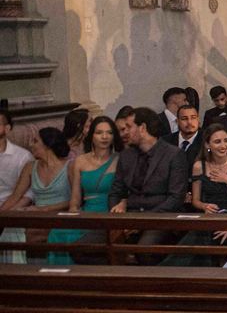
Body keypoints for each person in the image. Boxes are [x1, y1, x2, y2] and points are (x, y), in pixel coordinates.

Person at [108, 107, 190, 259]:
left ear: (143, 128)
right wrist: (117, 217)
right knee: (88, 246)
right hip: (129, 216)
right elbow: (115, 192)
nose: (126, 132)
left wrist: (142, 221)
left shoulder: (173, 154)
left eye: (129, 127)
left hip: (160, 218)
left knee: (145, 252)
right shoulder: (127, 155)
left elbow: (175, 198)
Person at [47, 116, 121, 264]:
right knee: (58, 233)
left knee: (79, 241)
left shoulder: (120, 159)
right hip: (86, 212)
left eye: (109, 133)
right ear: (91, 135)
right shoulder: (80, 161)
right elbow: (75, 200)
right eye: (99, 132)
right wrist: (75, 217)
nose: (104, 137)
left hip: (109, 213)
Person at [181, 124, 227, 265]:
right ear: (207, 144)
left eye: (226, 140)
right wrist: (204, 206)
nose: (223, 145)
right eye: (217, 142)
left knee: (223, 239)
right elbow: (195, 200)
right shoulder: (199, 166)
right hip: (211, 215)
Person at [4, 127, 71, 263]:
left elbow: (74, 201)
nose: (31, 145)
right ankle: (14, 277)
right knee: (9, 232)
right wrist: (3, 213)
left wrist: (44, 209)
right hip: (36, 217)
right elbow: (15, 196)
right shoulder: (30, 167)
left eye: (35, 141)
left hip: (60, 215)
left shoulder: (69, 166)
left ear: (48, 144)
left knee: (30, 235)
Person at [0, 109, 35, 263]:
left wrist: (11, 210)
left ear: (7, 128)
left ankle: (14, 277)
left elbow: (30, 191)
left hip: (12, 208)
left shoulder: (22, 156)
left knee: (12, 230)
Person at [167, 103, 204, 170]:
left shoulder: (207, 140)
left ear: (198, 120)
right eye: (184, 119)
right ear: (177, 121)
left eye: (193, 118)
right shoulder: (166, 141)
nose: (189, 122)